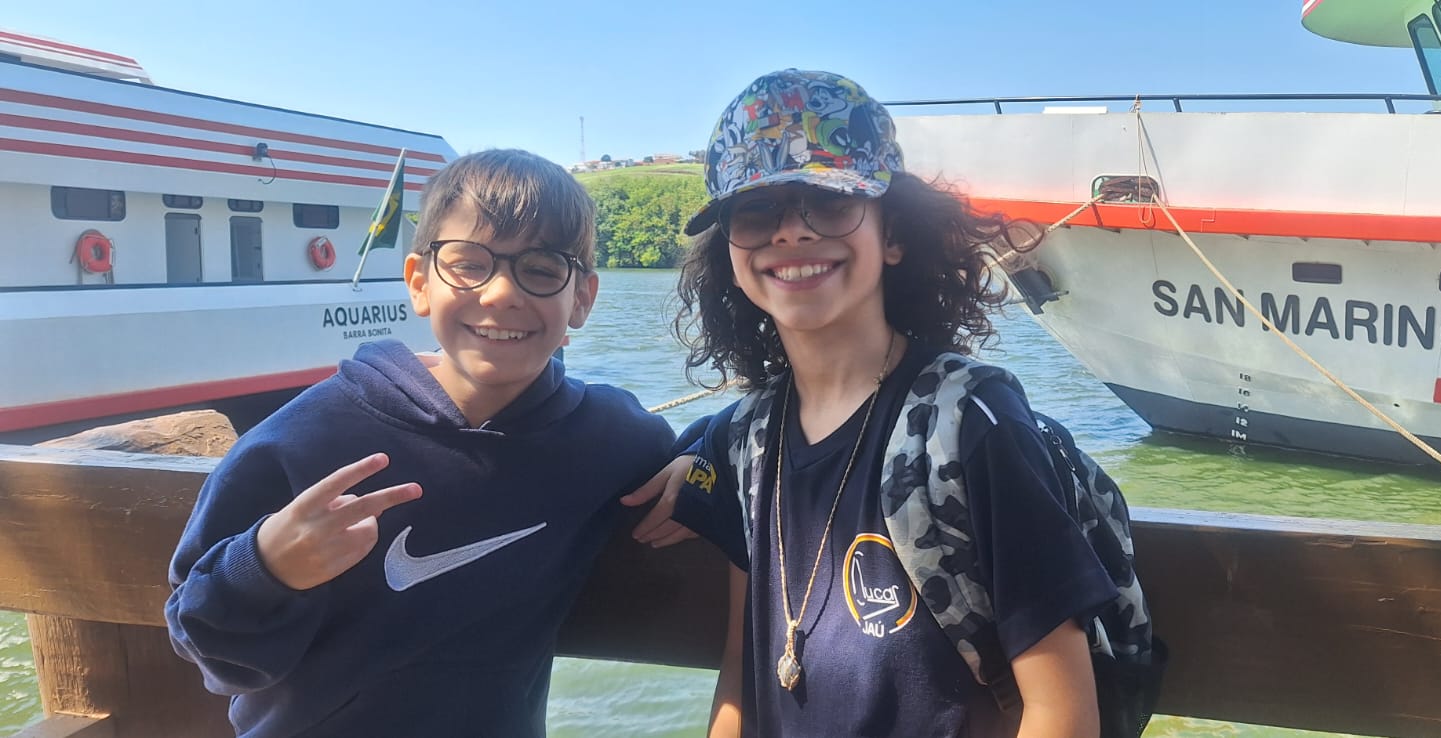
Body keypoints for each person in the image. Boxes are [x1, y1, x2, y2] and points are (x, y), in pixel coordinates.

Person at [624, 69, 1117, 737]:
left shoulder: (971, 424)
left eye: (830, 203)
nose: (791, 234)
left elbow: (1064, 713)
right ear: (730, 254)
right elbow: (742, 673)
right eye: (757, 211)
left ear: (893, 235)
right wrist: (695, 458)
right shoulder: (746, 440)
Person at [167, 149, 674, 737]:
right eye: (468, 264)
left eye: (541, 269)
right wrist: (265, 568)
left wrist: (699, 464)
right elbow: (201, 640)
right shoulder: (306, 437)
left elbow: (710, 452)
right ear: (419, 282)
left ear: (582, 298)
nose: (500, 293)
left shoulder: (609, 436)